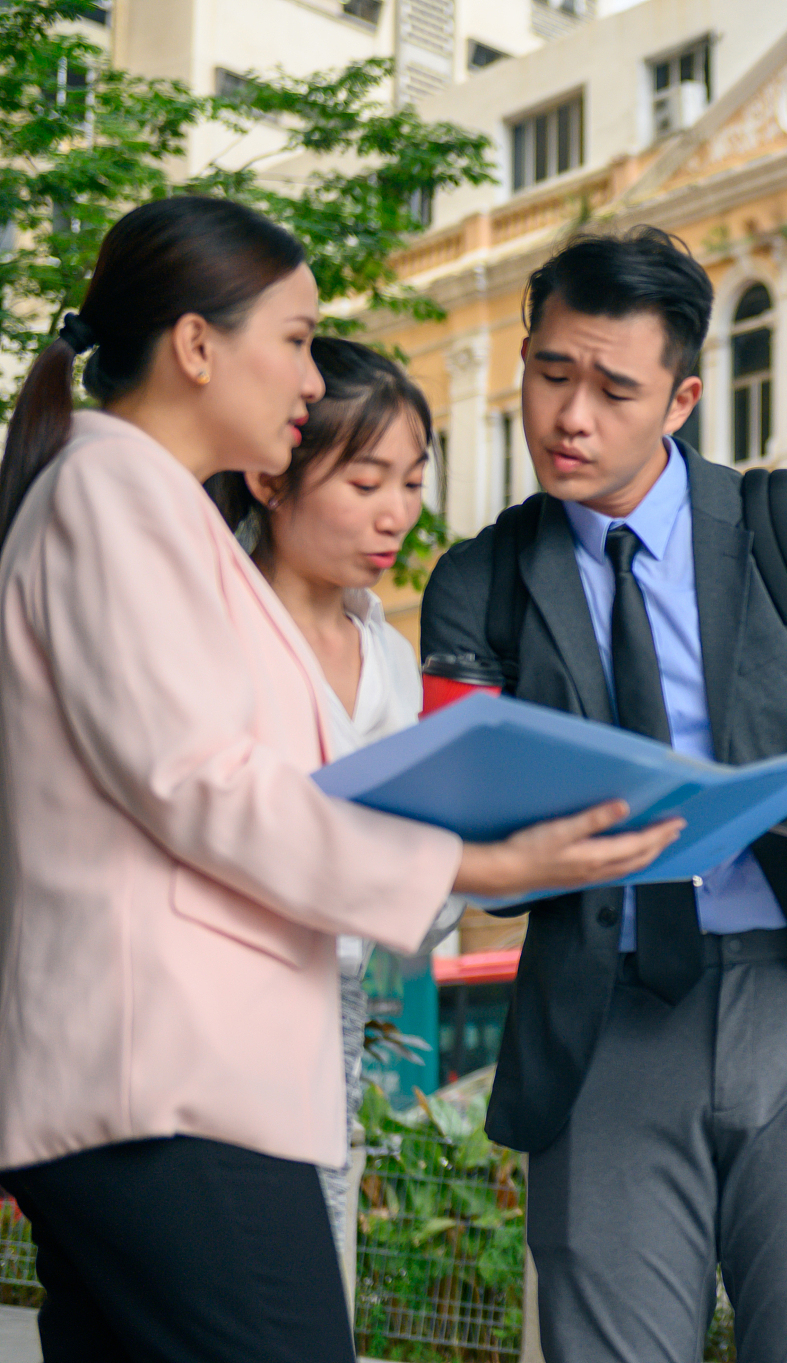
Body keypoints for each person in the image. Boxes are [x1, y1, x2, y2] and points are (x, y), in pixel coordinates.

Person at [0, 197, 677, 1362]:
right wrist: (472, 860)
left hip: (181, 1082)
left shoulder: (150, 512)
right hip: (165, 1084)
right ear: (198, 345)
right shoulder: (114, 497)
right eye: (300, 338)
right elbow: (199, 781)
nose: (313, 379)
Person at [419, 226, 787, 1363]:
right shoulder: (478, 584)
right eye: (549, 373)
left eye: (612, 389)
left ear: (679, 399)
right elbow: (471, 845)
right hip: (605, 1016)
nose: (569, 417)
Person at [206, 336, 466, 1284]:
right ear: (272, 480)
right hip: (207, 1049)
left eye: (412, 479)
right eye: (365, 482)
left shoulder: (391, 657)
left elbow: (419, 915)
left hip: (330, 1059)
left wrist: (468, 841)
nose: (395, 512)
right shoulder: (207, 623)